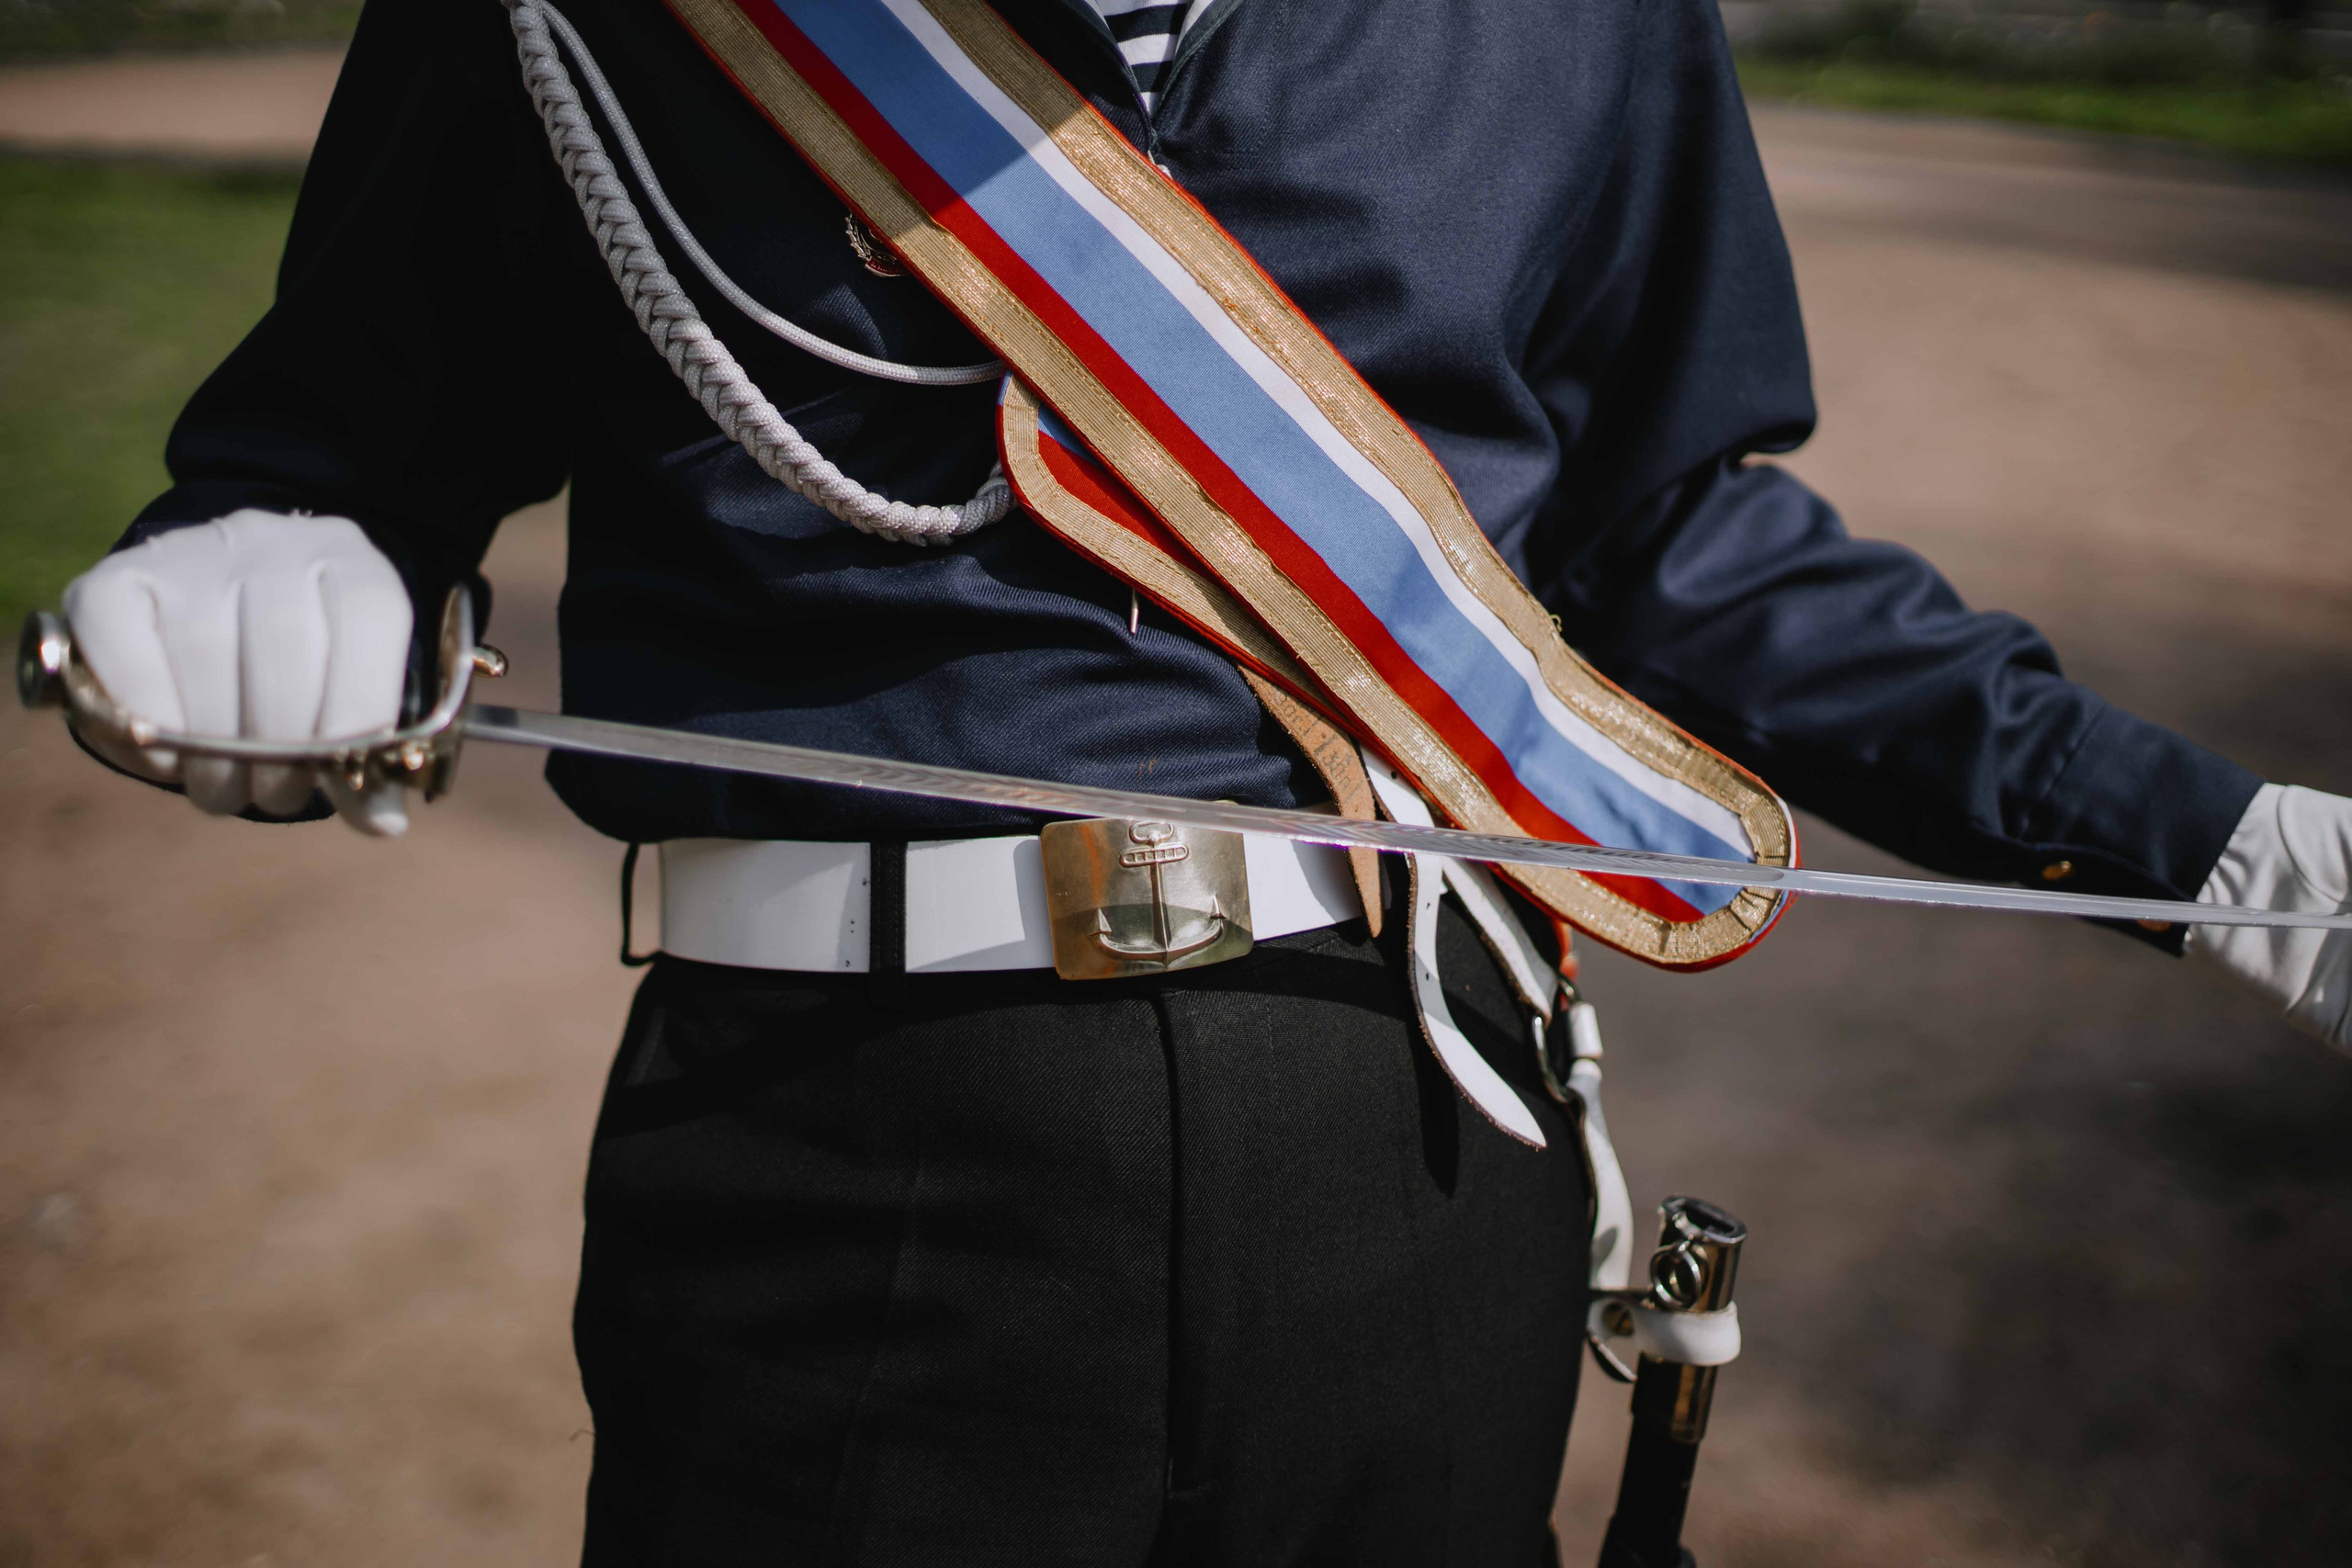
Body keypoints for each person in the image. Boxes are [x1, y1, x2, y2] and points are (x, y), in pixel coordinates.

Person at [51, 0, 2352, 1561]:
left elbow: (1674, 531)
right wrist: (276, 549)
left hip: (1415, 1131)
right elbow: (340, 436)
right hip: (838, 1156)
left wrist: (2210, 847)